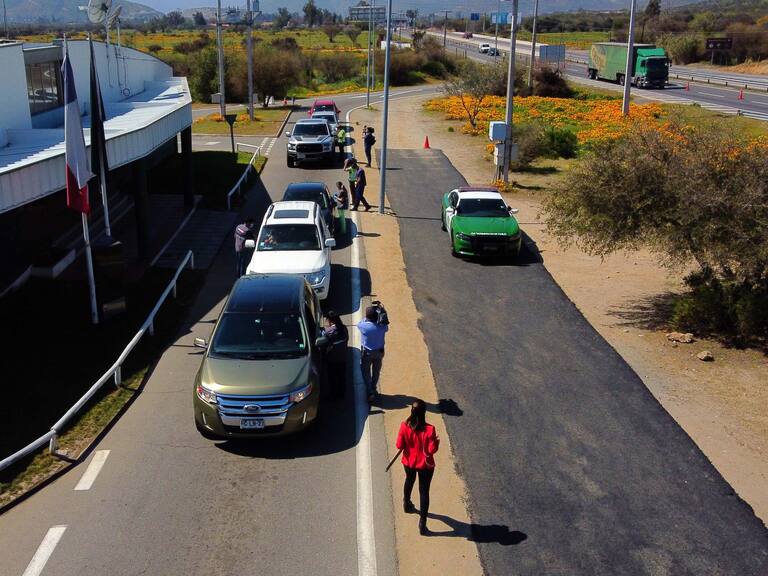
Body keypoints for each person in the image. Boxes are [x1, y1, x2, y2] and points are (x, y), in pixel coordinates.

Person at [396, 399, 440, 535]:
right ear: (424, 413)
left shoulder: (404, 426)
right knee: (424, 492)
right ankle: (422, 523)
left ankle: (407, 503)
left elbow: (399, 445)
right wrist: (436, 442)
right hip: (425, 465)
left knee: (409, 480)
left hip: (409, 462)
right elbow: (432, 450)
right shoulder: (430, 430)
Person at [357, 305, 388, 402]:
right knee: (376, 371)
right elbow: (386, 325)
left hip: (367, 353)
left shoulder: (363, 326)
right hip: (379, 352)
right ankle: (373, 387)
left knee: (365, 371)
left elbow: (360, 323)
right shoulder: (382, 327)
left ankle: (370, 391)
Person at [322, 311, 348, 400]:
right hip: (343, 357)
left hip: (332, 359)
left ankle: (333, 395)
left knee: (332, 378)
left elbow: (325, 345)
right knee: (341, 377)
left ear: (330, 320)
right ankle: (342, 394)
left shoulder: (328, 332)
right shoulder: (344, 328)